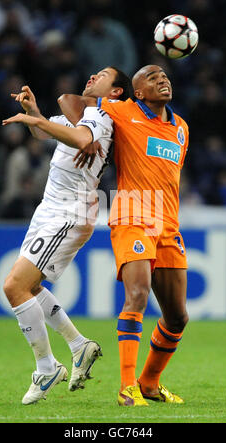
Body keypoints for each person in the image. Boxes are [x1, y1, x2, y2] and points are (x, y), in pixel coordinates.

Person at [59, 64, 190, 407]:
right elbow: (71, 100)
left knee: (177, 317)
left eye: (164, 75)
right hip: (133, 215)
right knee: (137, 294)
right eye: (152, 78)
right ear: (139, 92)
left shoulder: (181, 129)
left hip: (168, 225)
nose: (162, 79)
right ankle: (126, 387)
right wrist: (86, 133)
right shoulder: (122, 111)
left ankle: (148, 383)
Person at [2, 66, 133, 405]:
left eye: (103, 75)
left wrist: (37, 121)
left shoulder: (101, 117)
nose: (93, 76)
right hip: (51, 208)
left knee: (14, 287)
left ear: (116, 92)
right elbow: (48, 135)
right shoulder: (85, 113)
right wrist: (36, 115)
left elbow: (82, 140)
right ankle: (78, 345)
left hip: (68, 211)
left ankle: (47, 367)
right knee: (29, 287)